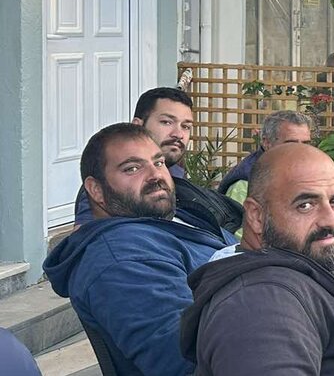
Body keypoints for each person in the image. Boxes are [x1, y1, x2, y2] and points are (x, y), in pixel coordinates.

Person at [180, 143, 334, 375]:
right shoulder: (259, 308)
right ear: (256, 216)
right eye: (305, 205)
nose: (331, 220)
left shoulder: (299, 266)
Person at [44, 123, 237, 376]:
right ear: (96, 190)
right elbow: (187, 358)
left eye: (158, 162)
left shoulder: (176, 220)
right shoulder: (121, 258)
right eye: (132, 168)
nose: (155, 175)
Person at [73, 87, 243, 234]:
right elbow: (86, 239)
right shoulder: (112, 187)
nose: (178, 134)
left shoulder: (173, 170)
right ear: (138, 125)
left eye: (186, 126)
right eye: (166, 122)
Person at [216, 110, 313, 200]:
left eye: (306, 143)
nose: (301, 150)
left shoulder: (306, 171)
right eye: (291, 144)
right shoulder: (245, 184)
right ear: (267, 143)